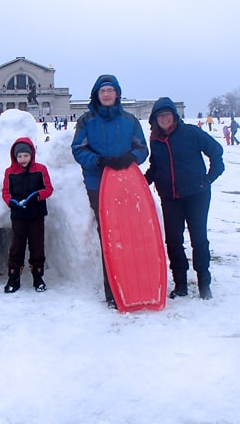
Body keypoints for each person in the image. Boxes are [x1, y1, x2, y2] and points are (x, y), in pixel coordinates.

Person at [71, 74, 149, 309]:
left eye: (110, 90)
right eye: (102, 91)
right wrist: (100, 161)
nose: (106, 94)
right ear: (96, 94)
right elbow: (78, 150)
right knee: (110, 234)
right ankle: (114, 290)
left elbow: (142, 148)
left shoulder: (130, 120)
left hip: (127, 182)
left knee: (132, 232)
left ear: (117, 94)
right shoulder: (87, 120)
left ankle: (138, 283)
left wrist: (130, 158)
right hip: (99, 183)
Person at [144, 97, 225, 300]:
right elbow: (155, 167)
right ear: (155, 119)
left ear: (174, 116)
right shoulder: (155, 140)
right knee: (173, 241)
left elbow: (217, 153)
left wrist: (207, 180)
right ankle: (180, 284)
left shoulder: (191, 133)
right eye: (160, 116)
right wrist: (142, 184)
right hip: (170, 197)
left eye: (167, 115)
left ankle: (204, 283)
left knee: (198, 239)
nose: (164, 119)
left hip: (196, 195)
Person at [1, 138, 54, 293]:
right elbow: (5, 192)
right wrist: (11, 202)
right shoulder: (10, 172)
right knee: (17, 246)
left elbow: (48, 189)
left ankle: (38, 277)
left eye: (26, 155)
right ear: (15, 157)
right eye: (20, 156)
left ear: (31, 155)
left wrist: (37, 195)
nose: (23, 159)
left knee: (37, 246)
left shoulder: (40, 169)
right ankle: (13, 277)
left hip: (36, 214)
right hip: (18, 215)